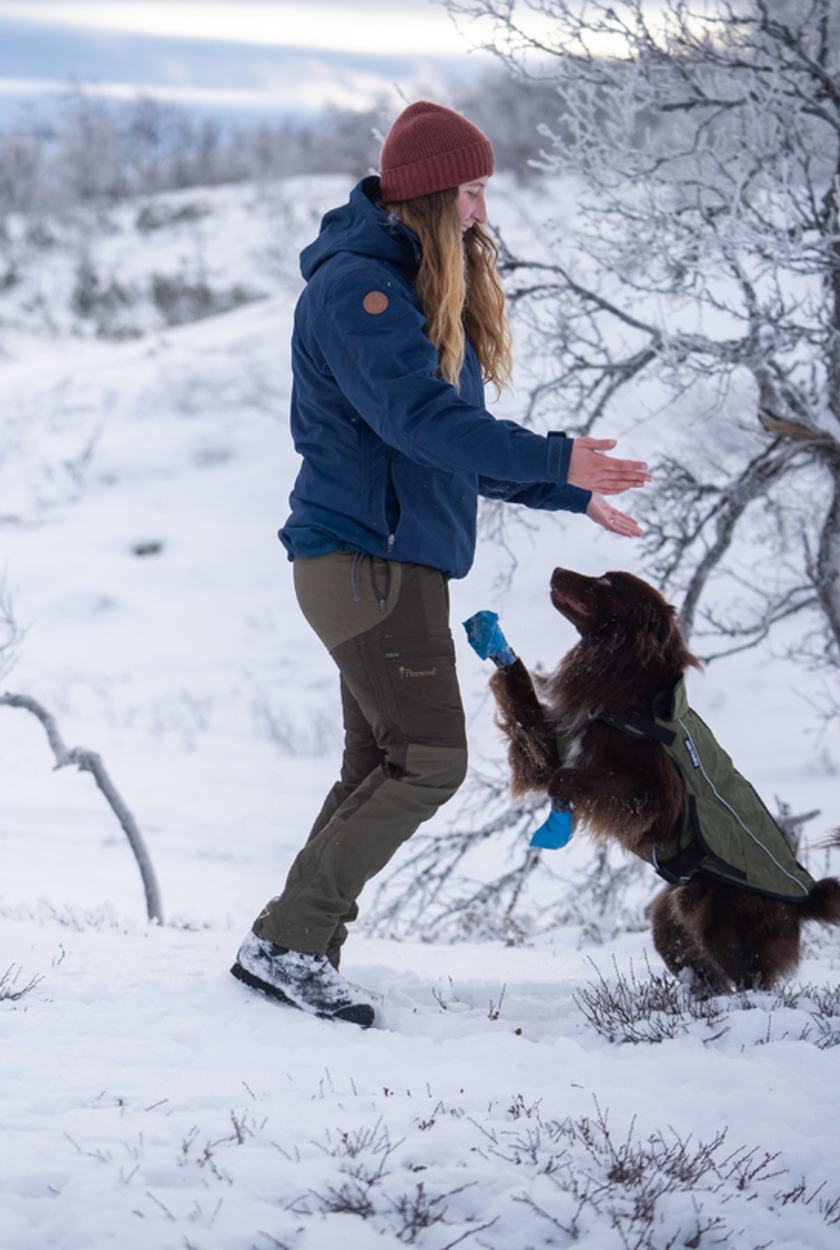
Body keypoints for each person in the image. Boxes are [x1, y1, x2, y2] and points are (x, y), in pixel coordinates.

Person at [231, 100, 649, 1028]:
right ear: (426, 198)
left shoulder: (398, 282)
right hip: (367, 563)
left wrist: (569, 491)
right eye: (469, 193)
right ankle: (287, 944)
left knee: (377, 762)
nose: (481, 214)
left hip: (378, 560)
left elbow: (442, 447)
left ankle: (295, 944)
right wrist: (554, 458)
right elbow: (419, 423)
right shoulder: (361, 290)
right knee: (428, 762)